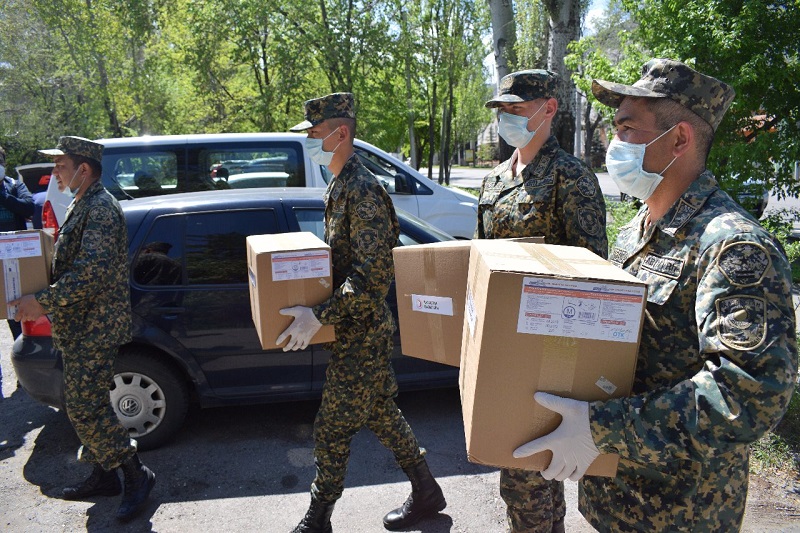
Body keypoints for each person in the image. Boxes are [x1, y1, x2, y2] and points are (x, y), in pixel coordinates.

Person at [513, 59, 798, 531]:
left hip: (681, 511)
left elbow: (750, 394)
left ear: (679, 140)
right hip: (616, 497)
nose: (614, 144)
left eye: (627, 130)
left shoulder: (732, 246)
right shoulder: (636, 232)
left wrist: (600, 427)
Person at [278, 93, 446, 533]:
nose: (311, 142)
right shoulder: (338, 185)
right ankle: (427, 489)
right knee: (381, 414)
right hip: (352, 328)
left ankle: (319, 518)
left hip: (363, 333)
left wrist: (320, 314)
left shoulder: (363, 190)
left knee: (332, 429)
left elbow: (372, 278)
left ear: (341, 133)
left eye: (314, 134)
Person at [477, 69, 608, 533]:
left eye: (516, 108)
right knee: (524, 471)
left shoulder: (571, 178)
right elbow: (481, 265)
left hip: (549, 348)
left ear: (548, 108)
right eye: (502, 110)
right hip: (501, 346)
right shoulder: (493, 181)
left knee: (527, 475)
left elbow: (596, 276)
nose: (506, 117)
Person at [11, 136, 156, 522]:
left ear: (84, 169)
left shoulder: (101, 210)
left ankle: (136, 474)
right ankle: (104, 475)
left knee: (85, 408)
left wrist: (41, 300)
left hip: (96, 328)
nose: (55, 172)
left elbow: (88, 275)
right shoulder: (83, 204)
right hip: (82, 326)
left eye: (60, 165)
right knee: (86, 405)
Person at [0, 145, 36, 340]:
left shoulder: (14, 186)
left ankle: (21, 354)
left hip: (13, 260)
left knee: (15, 314)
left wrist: (3, 196)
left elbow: (28, 207)